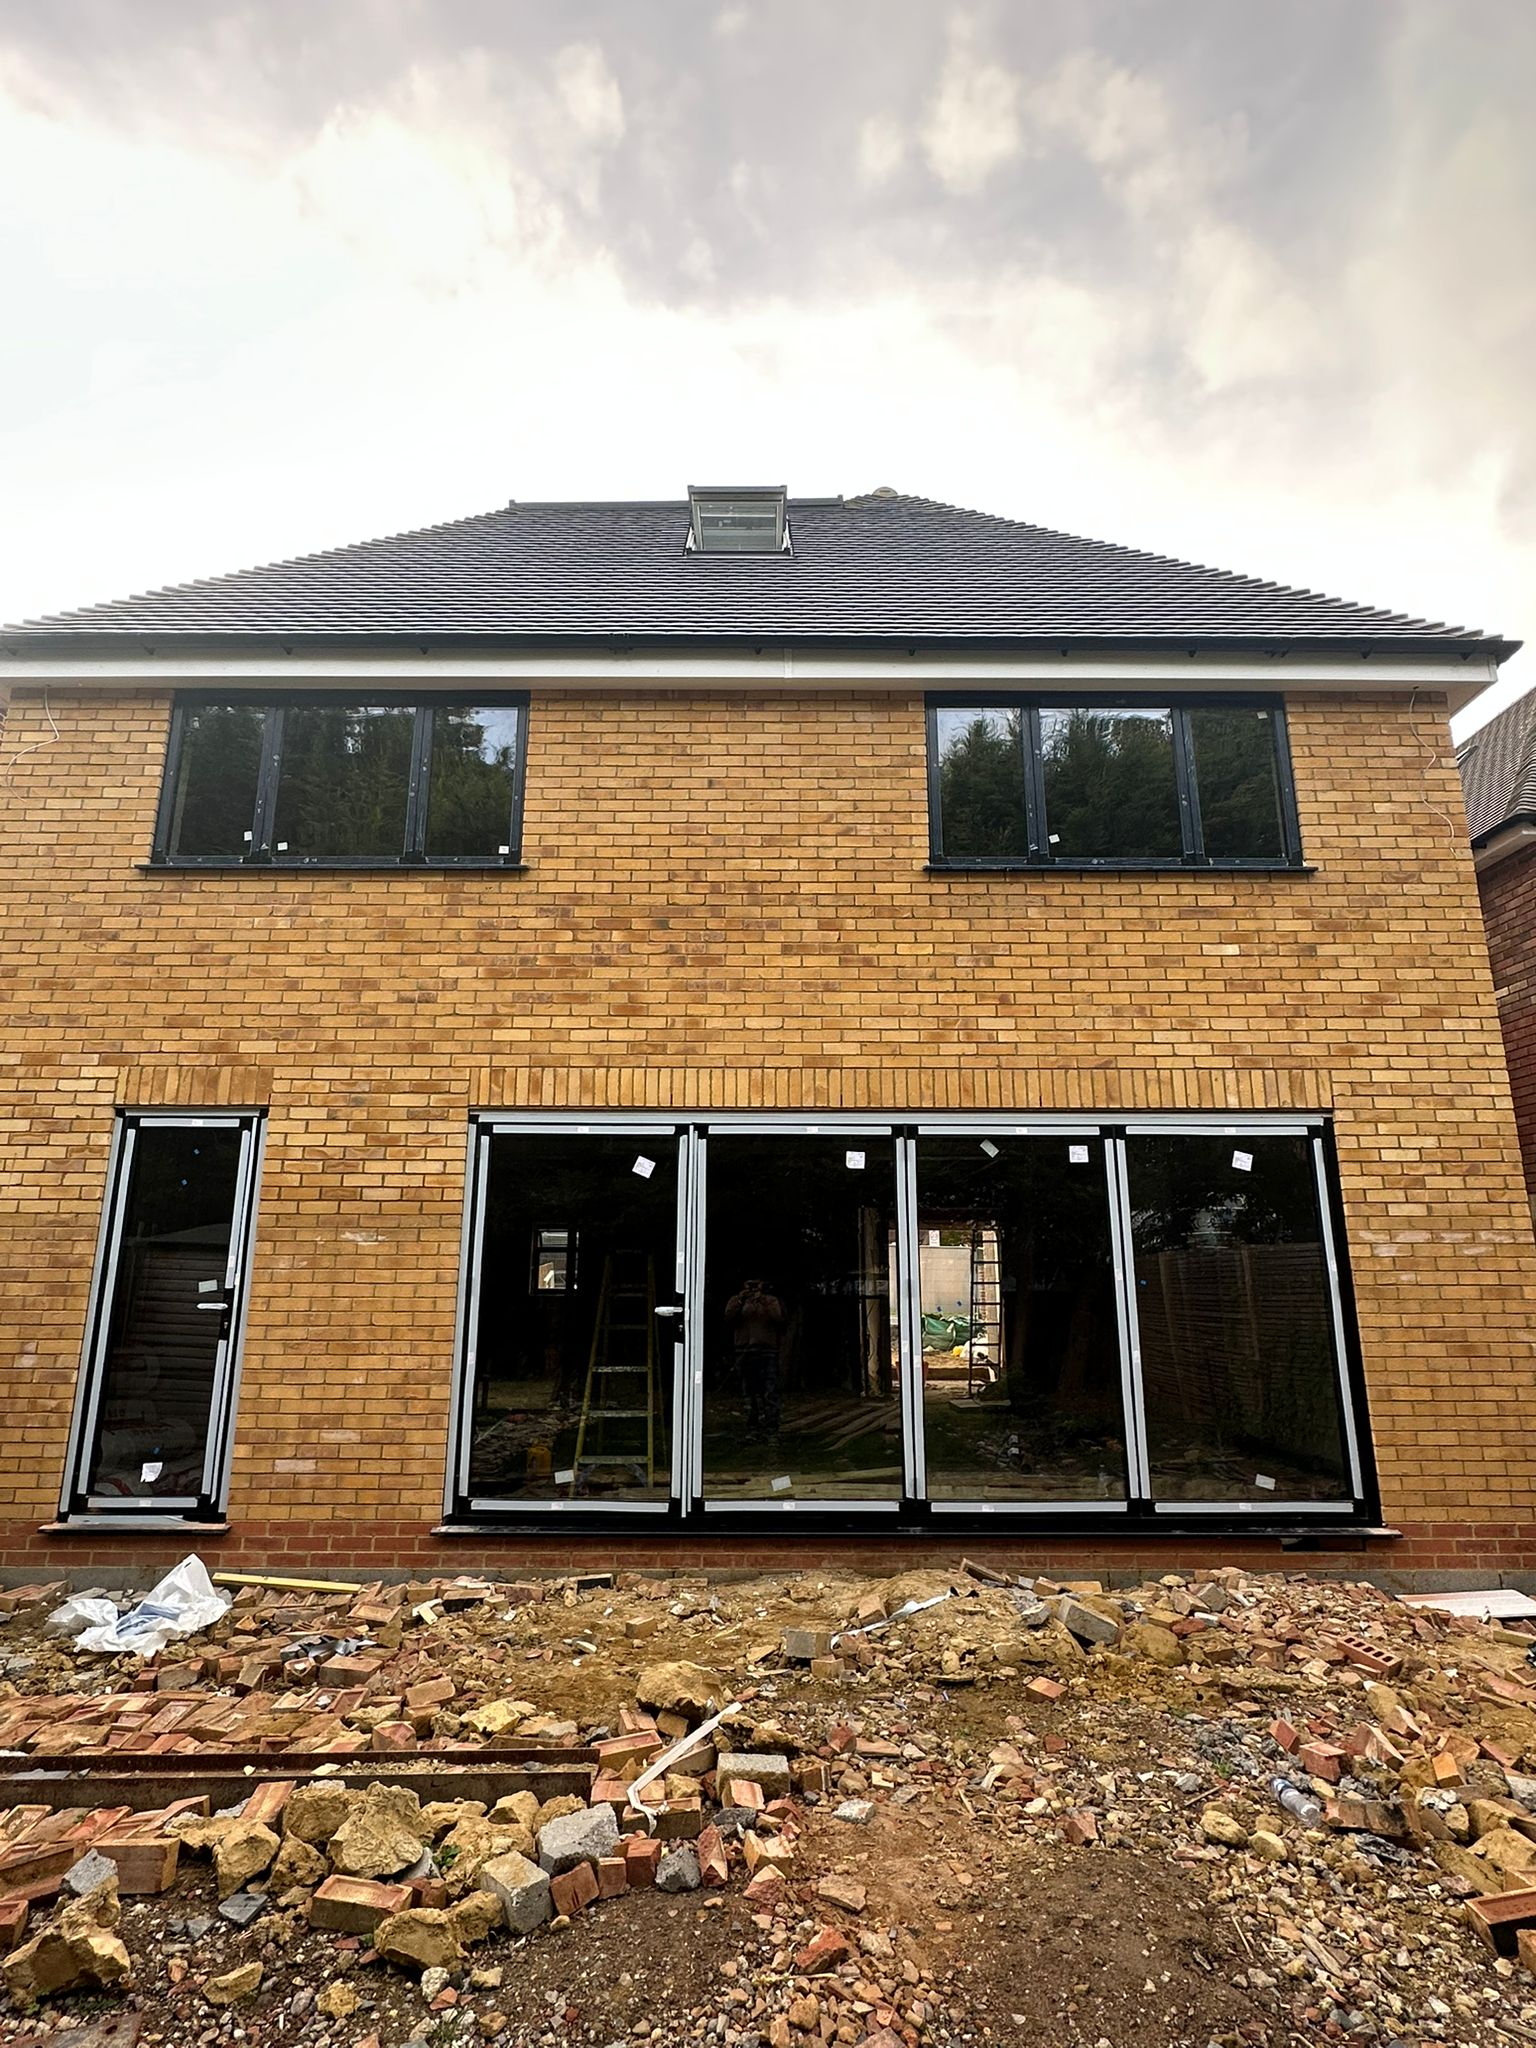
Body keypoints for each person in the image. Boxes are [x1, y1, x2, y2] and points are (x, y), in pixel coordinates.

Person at [724, 1277, 784, 1442]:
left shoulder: (771, 1300)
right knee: (749, 1393)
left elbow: (777, 1317)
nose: (752, 1288)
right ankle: (752, 1428)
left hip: (767, 1350)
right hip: (745, 1350)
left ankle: (772, 1429)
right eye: (749, 1284)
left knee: (769, 1392)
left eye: (755, 1284)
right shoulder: (737, 1300)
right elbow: (729, 1317)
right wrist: (740, 1299)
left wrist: (762, 1300)